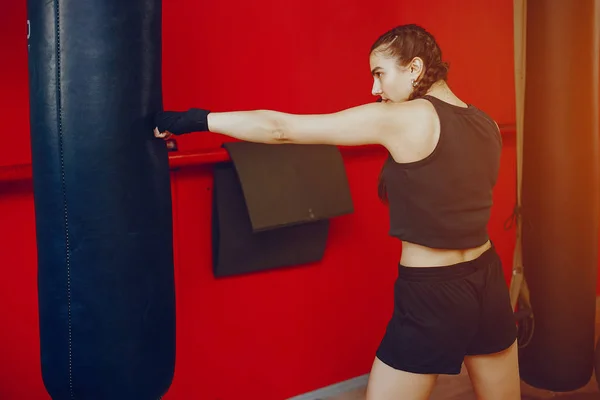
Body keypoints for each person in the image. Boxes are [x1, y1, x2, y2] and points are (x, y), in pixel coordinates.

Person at [154, 24, 520, 400]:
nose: (375, 89)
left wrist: (195, 120)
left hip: (433, 291)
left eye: (380, 74)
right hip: (487, 278)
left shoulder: (404, 117)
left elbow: (281, 130)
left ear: (413, 68)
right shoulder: (486, 124)